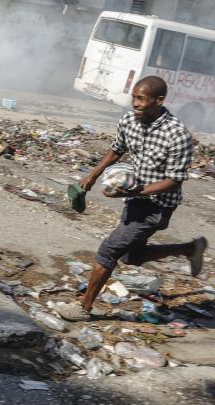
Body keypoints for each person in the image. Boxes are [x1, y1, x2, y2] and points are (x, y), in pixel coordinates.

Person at [72, 75, 207, 318]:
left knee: (109, 251)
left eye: (141, 99)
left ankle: (84, 307)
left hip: (158, 206)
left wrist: (138, 191)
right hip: (135, 200)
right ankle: (190, 248)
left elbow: (174, 179)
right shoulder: (129, 120)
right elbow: (117, 149)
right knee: (131, 256)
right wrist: (92, 176)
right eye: (133, 97)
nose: (135, 103)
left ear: (159, 100)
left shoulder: (177, 135)